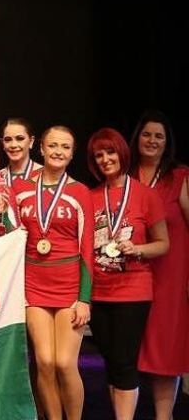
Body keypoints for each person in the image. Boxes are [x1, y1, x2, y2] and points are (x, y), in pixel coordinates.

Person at [86, 127, 169, 420]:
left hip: (133, 291)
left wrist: (137, 249)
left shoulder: (147, 195)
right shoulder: (90, 196)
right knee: (110, 363)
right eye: (99, 155)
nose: (106, 159)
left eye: (110, 152)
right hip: (98, 292)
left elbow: (163, 244)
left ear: (122, 152)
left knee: (123, 363)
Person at [13, 125, 93, 420]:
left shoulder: (79, 191)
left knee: (64, 363)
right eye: (53, 146)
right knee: (44, 361)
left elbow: (87, 248)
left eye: (65, 147)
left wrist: (84, 298)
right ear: (41, 149)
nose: (58, 152)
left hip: (70, 286)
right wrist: (0, 215)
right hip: (34, 285)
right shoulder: (21, 189)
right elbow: (15, 237)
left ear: (72, 154)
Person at [131, 110, 189, 420]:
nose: (152, 140)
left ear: (167, 143)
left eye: (159, 136)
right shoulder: (123, 175)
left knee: (166, 349)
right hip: (130, 275)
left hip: (171, 276)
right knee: (132, 349)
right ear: (137, 138)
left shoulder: (179, 176)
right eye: (147, 134)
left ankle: (162, 417)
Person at [0, 118, 43, 186]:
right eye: (8, 140)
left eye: (20, 138)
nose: (13, 145)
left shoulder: (47, 176)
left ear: (31, 141)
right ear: (2, 143)